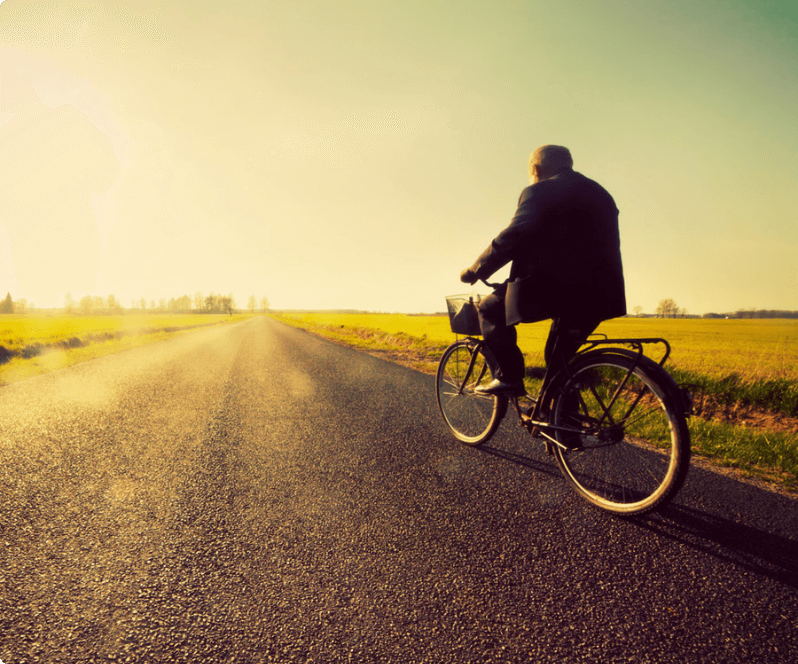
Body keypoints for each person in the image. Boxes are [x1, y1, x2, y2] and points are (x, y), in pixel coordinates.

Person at [460, 145, 626, 396]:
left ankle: (509, 378)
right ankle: (564, 428)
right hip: (601, 293)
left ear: (536, 169)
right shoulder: (601, 193)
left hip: (554, 288)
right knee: (559, 362)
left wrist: (477, 269)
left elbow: (514, 236)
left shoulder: (539, 190)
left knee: (489, 309)